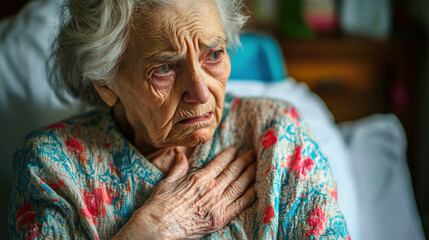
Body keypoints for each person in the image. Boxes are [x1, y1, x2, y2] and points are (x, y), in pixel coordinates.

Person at [9, 0, 350, 239]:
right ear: (105, 82)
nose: (201, 93)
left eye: (213, 55)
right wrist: (151, 231)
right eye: (165, 68)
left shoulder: (275, 134)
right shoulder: (51, 168)